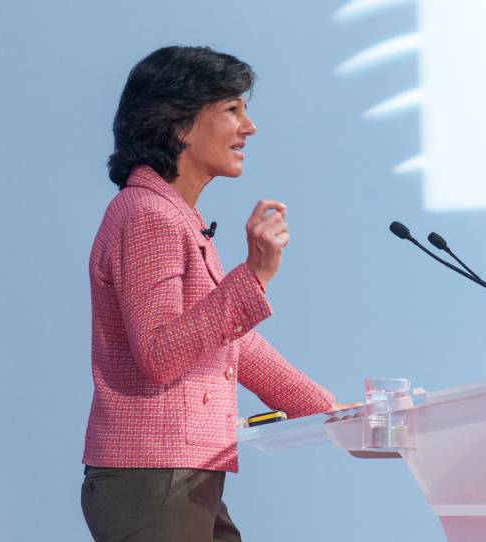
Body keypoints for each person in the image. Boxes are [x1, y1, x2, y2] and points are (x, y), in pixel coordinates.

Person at [80, 45, 353, 542]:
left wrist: (335, 415)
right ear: (179, 124)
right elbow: (161, 354)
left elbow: (229, 342)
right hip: (155, 478)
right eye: (232, 109)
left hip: (178, 476)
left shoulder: (173, 216)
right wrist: (254, 275)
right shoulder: (148, 216)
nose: (249, 127)